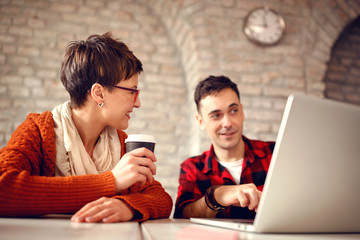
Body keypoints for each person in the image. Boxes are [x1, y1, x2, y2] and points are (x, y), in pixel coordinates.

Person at [0, 32, 172, 223]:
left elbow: (162, 199)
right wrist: (111, 181)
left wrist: (128, 206)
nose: (138, 103)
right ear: (99, 93)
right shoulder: (38, 131)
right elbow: (3, 188)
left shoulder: (122, 142)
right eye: (132, 91)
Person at [174, 75, 275, 219]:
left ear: (242, 112)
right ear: (201, 121)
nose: (227, 123)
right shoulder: (192, 168)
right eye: (216, 115)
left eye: (233, 111)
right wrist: (216, 196)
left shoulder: (275, 153)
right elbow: (182, 217)